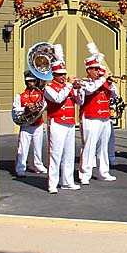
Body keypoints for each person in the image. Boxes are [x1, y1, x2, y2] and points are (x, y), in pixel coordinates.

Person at [76, 53, 117, 184]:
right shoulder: (84, 82)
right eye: (95, 69)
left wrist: (110, 83)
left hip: (105, 117)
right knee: (89, 147)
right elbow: (89, 90)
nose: (98, 72)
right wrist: (102, 80)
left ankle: (103, 172)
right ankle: (85, 175)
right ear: (88, 70)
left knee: (103, 147)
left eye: (99, 69)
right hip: (90, 117)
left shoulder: (104, 82)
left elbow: (114, 95)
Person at [44, 62, 81, 194]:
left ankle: (67, 181)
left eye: (64, 74)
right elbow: (58, 99)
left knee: (69, 154)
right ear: (54, 75)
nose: (63, 77)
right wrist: (70, 85)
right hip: (57, 122)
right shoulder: (49, 88)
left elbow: (80, 102)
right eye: (60, 74)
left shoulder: (68, 87)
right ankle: (52, 183)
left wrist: (78, 89)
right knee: (55, 153)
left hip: (70, 122)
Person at [12, 71, 47, 177]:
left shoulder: (41, 94)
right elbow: (15, 109)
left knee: (38, 147)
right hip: (26, 125)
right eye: (28, 81)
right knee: (23, 147)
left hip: (38, 123)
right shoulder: (21, 95)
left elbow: (46, 105)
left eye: (32, 81)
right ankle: (20, 167)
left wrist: (39, 107)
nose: (30, 83)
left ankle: (38, 165)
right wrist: (26, 109)